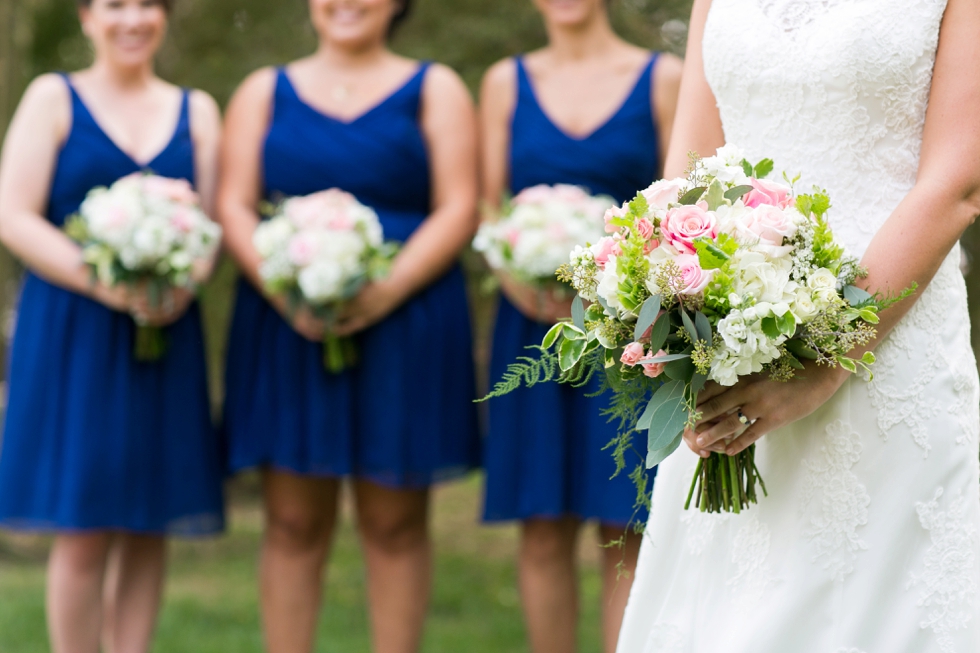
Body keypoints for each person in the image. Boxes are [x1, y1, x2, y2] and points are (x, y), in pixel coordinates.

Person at [617, 0, 980, 651]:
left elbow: (957, 184)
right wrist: (676, 314)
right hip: (730, 342)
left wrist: (826, 360)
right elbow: (690, 172)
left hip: (889, 348)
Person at [217, 0, 481, 650]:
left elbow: (459, 203)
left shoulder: (436, 87)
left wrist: (385, 289)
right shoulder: (263, 91)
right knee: (291, 520)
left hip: (405, 323)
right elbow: (231, 201)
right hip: (286, 324)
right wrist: (286, 288)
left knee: (394, 521)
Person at [0, 0, 225, 651]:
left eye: (148, 5)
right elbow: (14, 215)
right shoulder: (54, 98)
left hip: (165, 327)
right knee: (86, 518)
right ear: (86, 17)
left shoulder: (197, 110)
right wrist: (108, 283)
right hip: (74, 328)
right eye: (114, 4)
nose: (132, 19)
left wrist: (181, 282)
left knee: (149, 516)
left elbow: (207, 226)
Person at [478, 1, 681, 651]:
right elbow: (491, 204)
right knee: (541, 521)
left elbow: (682, 200)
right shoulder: (504, 82)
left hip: (632, 330)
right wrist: (517, 275)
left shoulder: (663, 77)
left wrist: (616, 292)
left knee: (624, 525)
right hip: (533, 326)